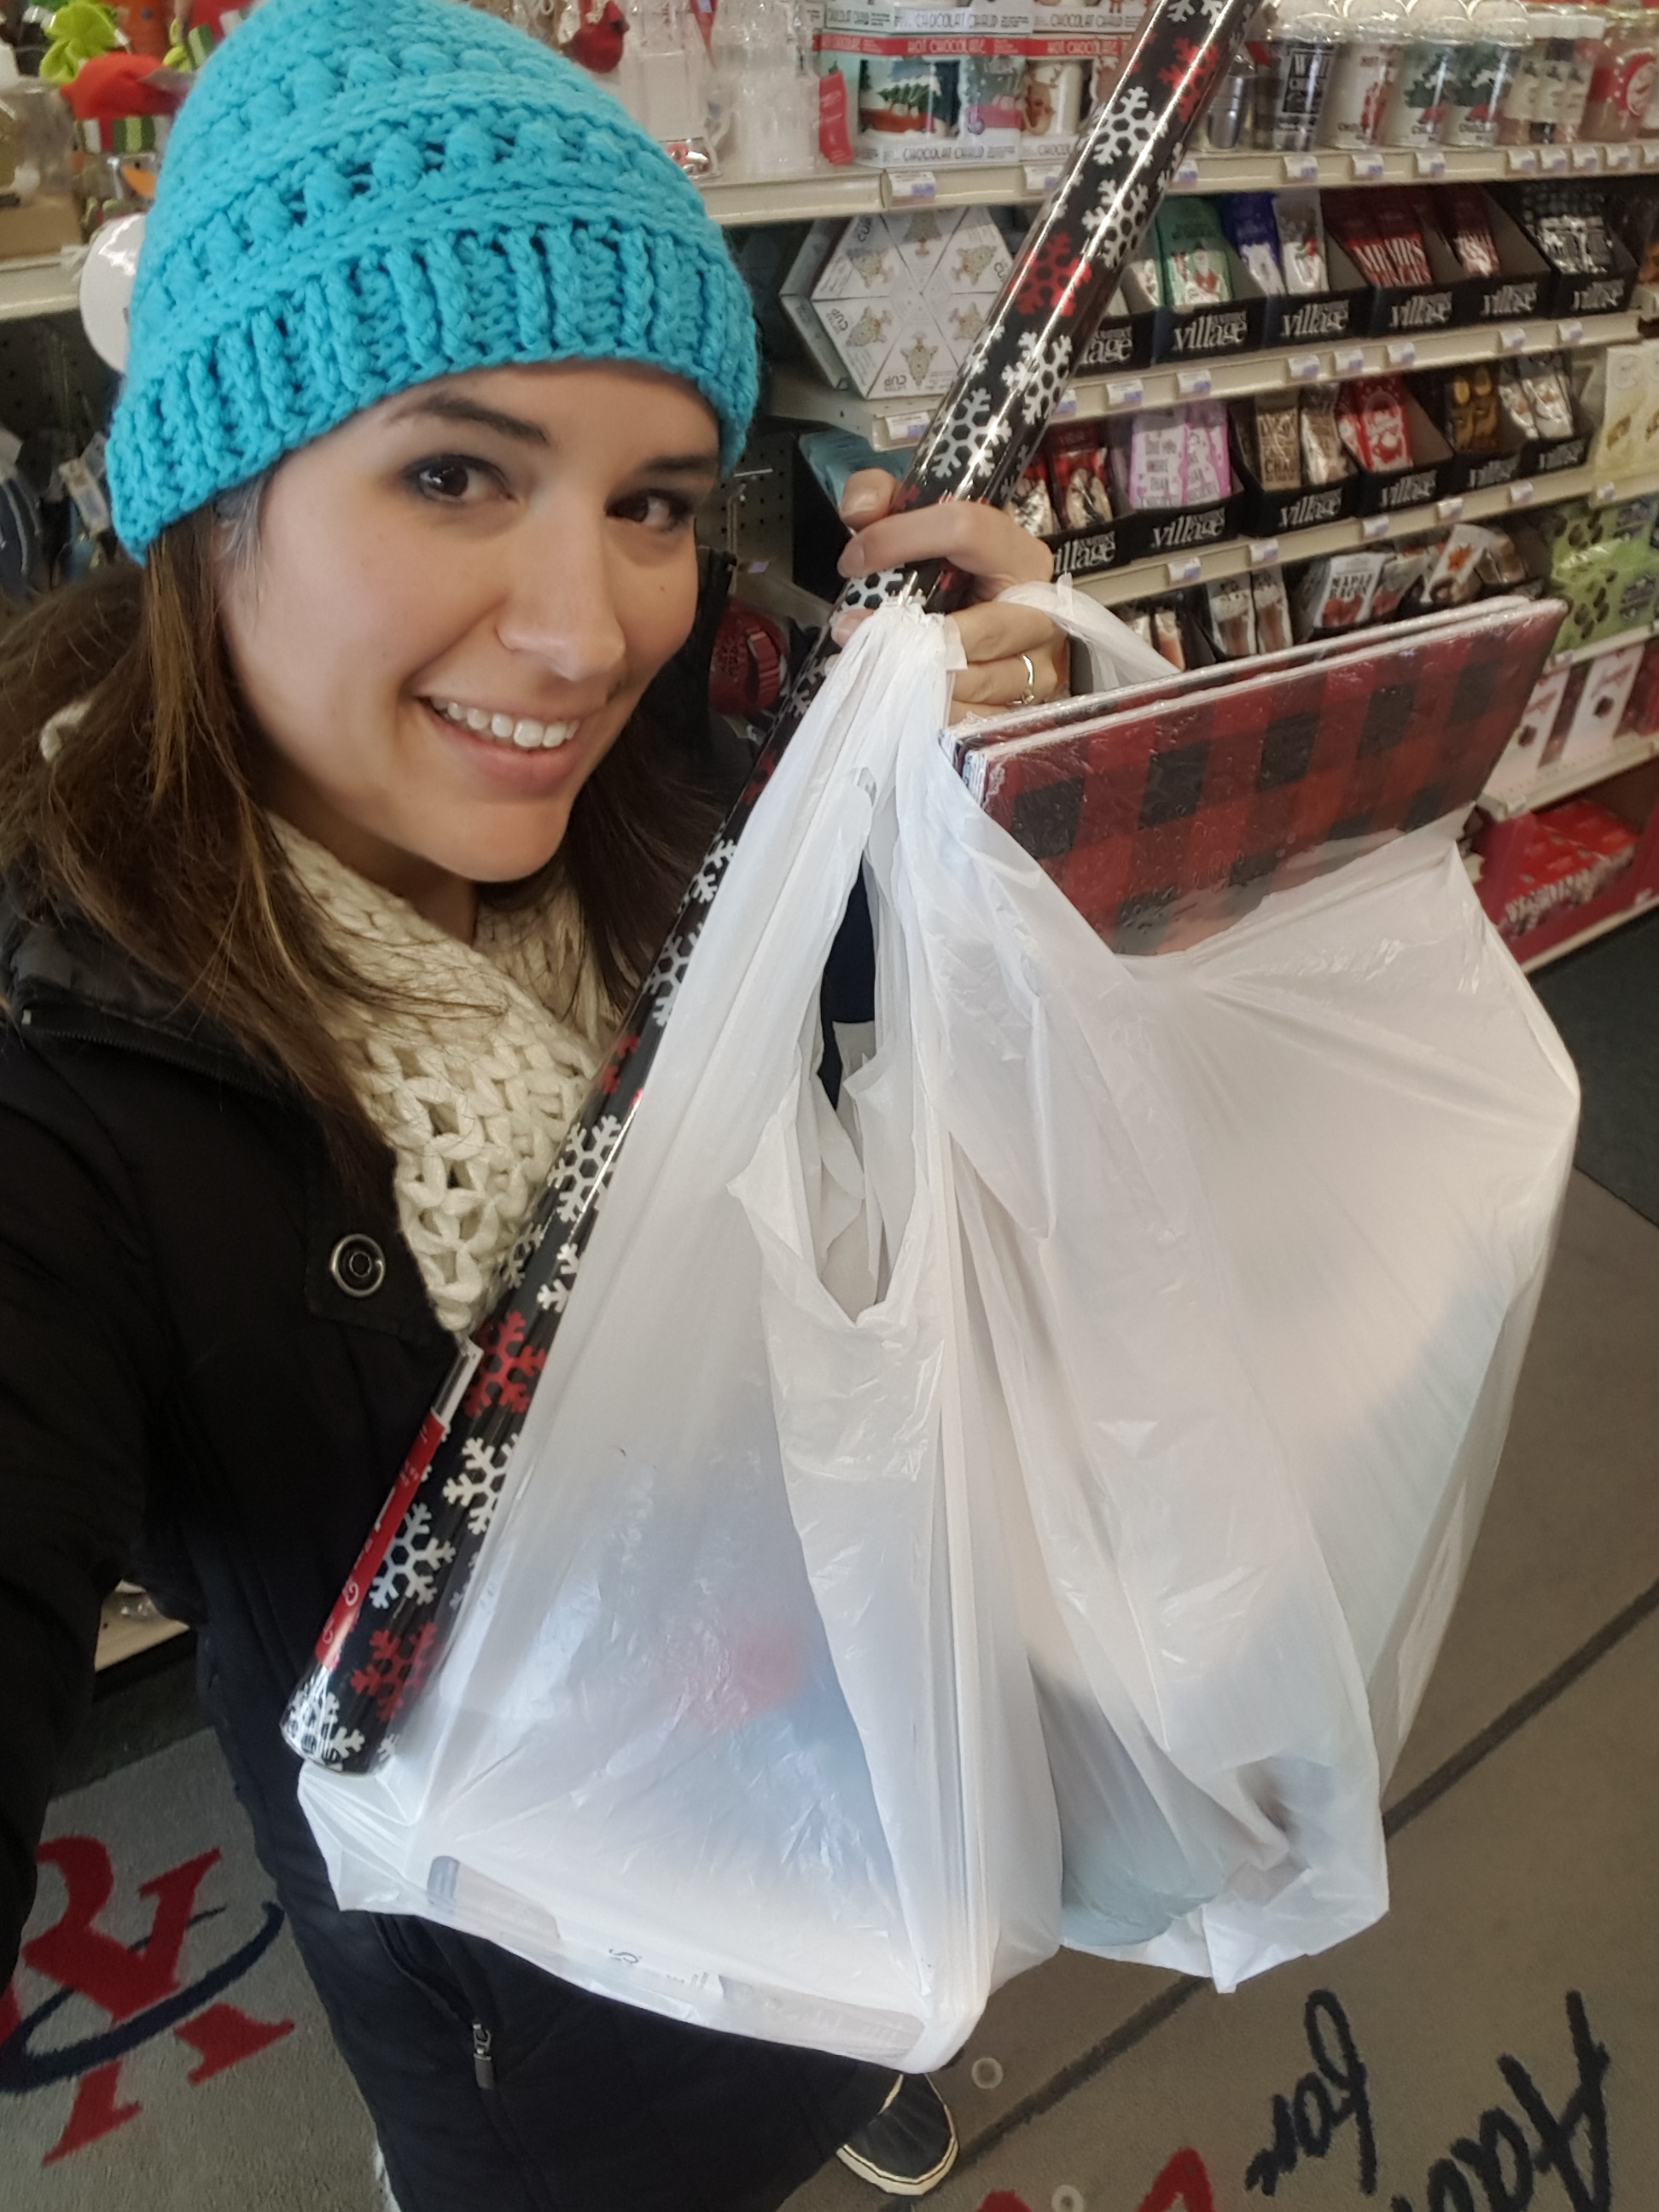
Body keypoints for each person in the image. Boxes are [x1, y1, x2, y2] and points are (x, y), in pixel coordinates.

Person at [0, 0, 1069, 2206]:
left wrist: (965, 807)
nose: (587, 632)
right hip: (526, 2006)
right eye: (455, 475)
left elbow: (887, 1114)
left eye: (653, 502)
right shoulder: (72, 1075)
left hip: (842, 1753)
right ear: (212, 488)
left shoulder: (682, 773)